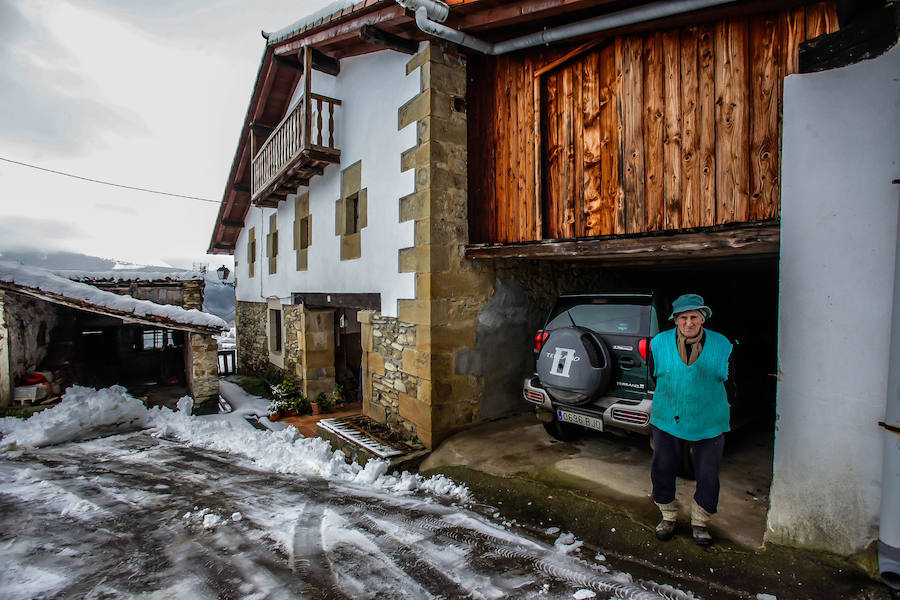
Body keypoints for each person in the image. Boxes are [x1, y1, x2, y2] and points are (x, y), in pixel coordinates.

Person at [649, 293, 733, 546]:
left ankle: (700, 521)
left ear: (703, 318)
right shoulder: (659, 343)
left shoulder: (723, 344)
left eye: (694, 316)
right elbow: (655, 376)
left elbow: (733, 381)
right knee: (663, 467)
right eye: (683, 317)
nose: (689, 322)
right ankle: (667, 516)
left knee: (707, 472)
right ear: (675, 320)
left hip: (709, 418)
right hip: (667, 415)